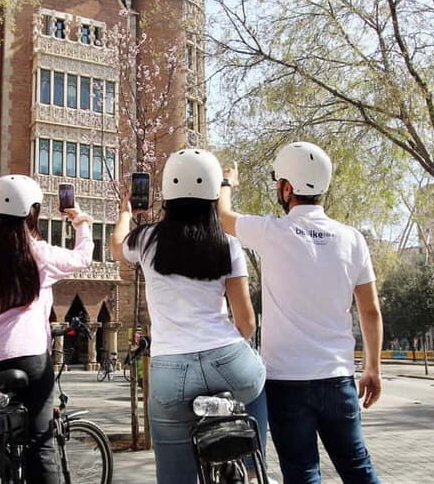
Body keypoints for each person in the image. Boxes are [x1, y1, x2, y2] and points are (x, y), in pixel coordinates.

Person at [218, 141, 383, 484]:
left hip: (286, 382)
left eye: (279, 182)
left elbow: (223, 217)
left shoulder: (272, 232)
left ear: (288, 188)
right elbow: (370, 311)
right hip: (338, 379)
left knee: (302, 473)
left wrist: (226, 184)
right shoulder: (352, 239)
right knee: (358, 469)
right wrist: (372, 368)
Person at [111, 148, 268, 484]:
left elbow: (116, 245)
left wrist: (126, 213)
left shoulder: (146, 239)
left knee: (174, 475)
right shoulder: (228, 245)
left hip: (171, 371)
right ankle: (255, 469)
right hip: (228, 361)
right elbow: (247, 323)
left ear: (167, 193)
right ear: (213, 195)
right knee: (257, 384)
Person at [0, 174, 93, 483]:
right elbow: (83, 257)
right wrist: (80, 222)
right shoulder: (38, 254)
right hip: (27, 357)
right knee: (39, 444)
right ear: (32, 211)